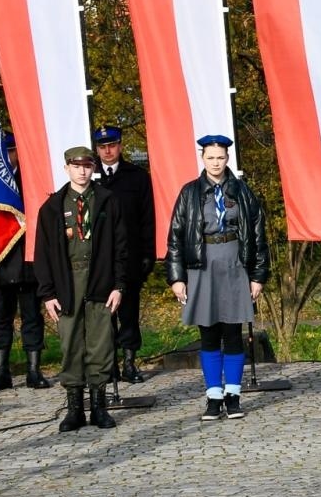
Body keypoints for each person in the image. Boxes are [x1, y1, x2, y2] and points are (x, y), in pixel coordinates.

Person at [165, 135, 271, 421]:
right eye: (210, 157)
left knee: (233, 332)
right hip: (202, 266)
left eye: (220, 157)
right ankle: (213, 396)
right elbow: (175, 237)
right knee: (209, 332)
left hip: (235, 263)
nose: (215, 163)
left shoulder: (242, 191)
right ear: (202, 158)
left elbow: (258, 234)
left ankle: (233, 395)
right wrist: (176, 277)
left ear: (227, 159)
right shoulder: (189, 192)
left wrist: (258, 275)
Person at [34, 146, 128, 432]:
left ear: (93, 168)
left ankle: (99, 406)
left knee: (101, 343)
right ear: (67, 169)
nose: (82, 171)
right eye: (76, 167)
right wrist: (48, 293)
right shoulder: (52, 207)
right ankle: (74, 408)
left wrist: (119, 285)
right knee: (70, 344)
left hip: (100, 278)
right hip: (68, 281)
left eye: (87, 166)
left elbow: (121, 247)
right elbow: (42, 254)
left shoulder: (108, 201)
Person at [92, 124, 156, 383]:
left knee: (128, 312)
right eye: (103, 147)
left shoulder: (136, 176)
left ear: (120, 146)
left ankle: (129, 362)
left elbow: (147, 218)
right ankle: (109, 364)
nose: (108, 151)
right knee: (103, 313)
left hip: (130, 255)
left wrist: (148, 253)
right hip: (99, 258)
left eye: (112, 145)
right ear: (97, 149)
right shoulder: (90, 176)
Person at [0, 133, 50, 391]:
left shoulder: (29, 179)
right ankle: (2, 370)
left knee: (32, 315)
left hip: (27, 260)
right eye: (7, 151)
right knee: (1, 317)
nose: (10, 156)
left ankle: (34, 370)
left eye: (13, 151)